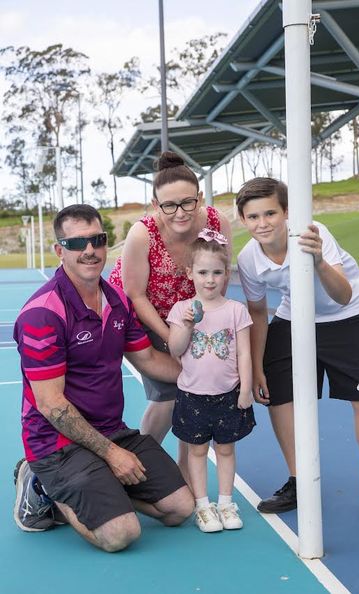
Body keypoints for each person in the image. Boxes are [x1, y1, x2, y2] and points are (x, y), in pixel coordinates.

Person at [13, 204, 194, 552]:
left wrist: (209, 377)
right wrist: (112, 455)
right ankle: (43, 486)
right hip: (57, 444)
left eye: (97, 240)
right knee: (120, 535)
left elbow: (149, 359)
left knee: (179, 509)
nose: (89, 251)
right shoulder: (42, 315)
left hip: (112, 430)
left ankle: (101, 492)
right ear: (59, 250)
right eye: (77, 243)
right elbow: (51, 405)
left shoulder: (115, 300)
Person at [236, 176, 359, 529]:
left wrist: (319, 260)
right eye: (253, 217)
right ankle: (299, 480)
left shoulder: (313, 232)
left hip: (346, 315)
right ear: (243, 220)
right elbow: (258, 313)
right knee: (278, 395)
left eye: (270, 213)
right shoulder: (248, 257)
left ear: (287, 212)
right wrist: (259, 365)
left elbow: (341, 294)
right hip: (295, 317)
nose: (262, 223)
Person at [109, 151, 232, 480]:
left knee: (194, 394)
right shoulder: (142, 234)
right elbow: (135, 295)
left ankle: (185, 471)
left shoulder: (217, 224)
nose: (179, 213)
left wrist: (209, 324)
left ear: (200, 197)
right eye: (169, 205)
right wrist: (171, 338)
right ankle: (138, 466)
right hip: (141, 316)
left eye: (187, 203)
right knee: (168, 395)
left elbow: (222, 274)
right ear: (155, 204)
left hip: (189, 316)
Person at [167, 230, 255, 533]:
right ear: (190, 273)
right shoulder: (181, 310)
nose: (210, 279)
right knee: (197, 451)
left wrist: (245, 388)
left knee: (227, 450)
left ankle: (226, 502)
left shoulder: (236, 311)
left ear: (226, 274)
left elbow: (245, 352)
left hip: (228, 395)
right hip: (192, 395)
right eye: (203, 272)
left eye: (217, 272)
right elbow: (175, 349)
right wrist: (188, 325)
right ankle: (203, 506)